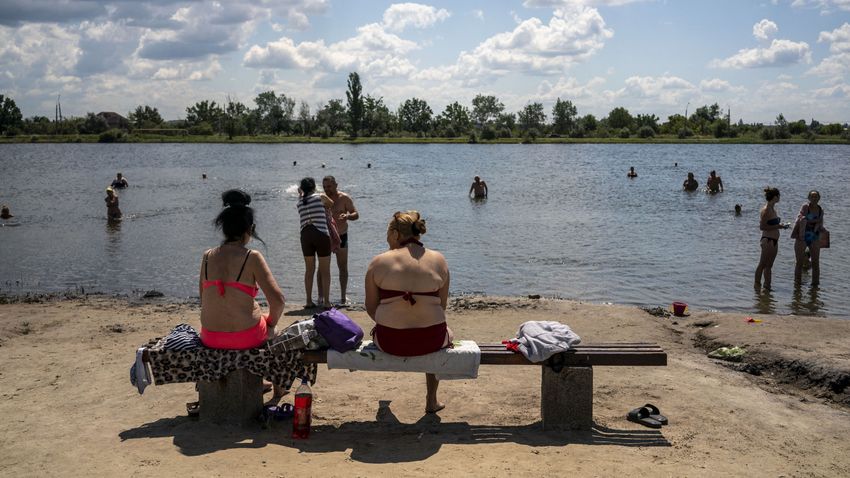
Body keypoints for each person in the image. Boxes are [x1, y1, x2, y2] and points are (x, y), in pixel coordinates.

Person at [200, 189, 286, 397]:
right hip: (245, 336)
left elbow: (204, 298)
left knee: (258, 321)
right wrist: (271, 322)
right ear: (250, 228)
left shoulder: (207, 256)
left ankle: (254, 381)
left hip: (210, 336)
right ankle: (279, 390)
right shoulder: (251, 257)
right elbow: (278, 301)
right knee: (275, 333)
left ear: (224, 228)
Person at [365, 211, 452, 414]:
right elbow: (442, 305)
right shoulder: (439, 260)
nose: (386, 238)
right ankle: (431, 400)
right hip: (431, 340)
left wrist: (395, 317)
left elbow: (371, 307)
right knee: (444, 331)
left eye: (388, 233)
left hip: (390, 341)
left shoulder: (378, 262)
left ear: (396, 234)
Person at [322, 176, 359, 305]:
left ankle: (343, 297)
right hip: (325, 236)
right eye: (325, 187)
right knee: (322, 268)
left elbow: (356, 214)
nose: (327, 189)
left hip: (342, 235)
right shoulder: (321, 199)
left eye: (329, 186)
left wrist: (348, 216)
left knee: (342, 267)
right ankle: (321, 297)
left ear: (336, 185)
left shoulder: (344, 198)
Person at [297, 177, 332, 308]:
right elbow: (331, 204)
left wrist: (300, 194)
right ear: (314, 187)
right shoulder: (320, 196)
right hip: (321, 234)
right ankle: (327, 302)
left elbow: (303, 199)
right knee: (325, 270)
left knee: (309, 270)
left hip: (305, 235)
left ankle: (308, 301)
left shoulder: (300, 201)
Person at [755, 188, 788, 291]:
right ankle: (757, 286)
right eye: (779, 196)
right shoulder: (766, 209)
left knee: (769, 265)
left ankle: (767, 287)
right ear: (775, 197)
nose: (779, 198)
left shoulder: (773, 209)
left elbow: (771, 224)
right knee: (762, 264)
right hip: (767, 240)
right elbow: (762, 227)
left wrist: (780, 225)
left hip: (774, 240)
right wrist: (779, 227)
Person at [792, 190, 824, 287]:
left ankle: (815, 285)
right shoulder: (805, 207)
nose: (814, 198)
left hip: (814, 236)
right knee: (799, 262)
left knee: (815, 262)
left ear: (819, 198)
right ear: (809, 198)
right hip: (802, 235)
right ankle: (797, 285)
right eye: (812, 196)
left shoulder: (820, 209)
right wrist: (814, 220)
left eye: (816, 196)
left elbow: (820, 224)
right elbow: (801, 217)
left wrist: (823, 230)